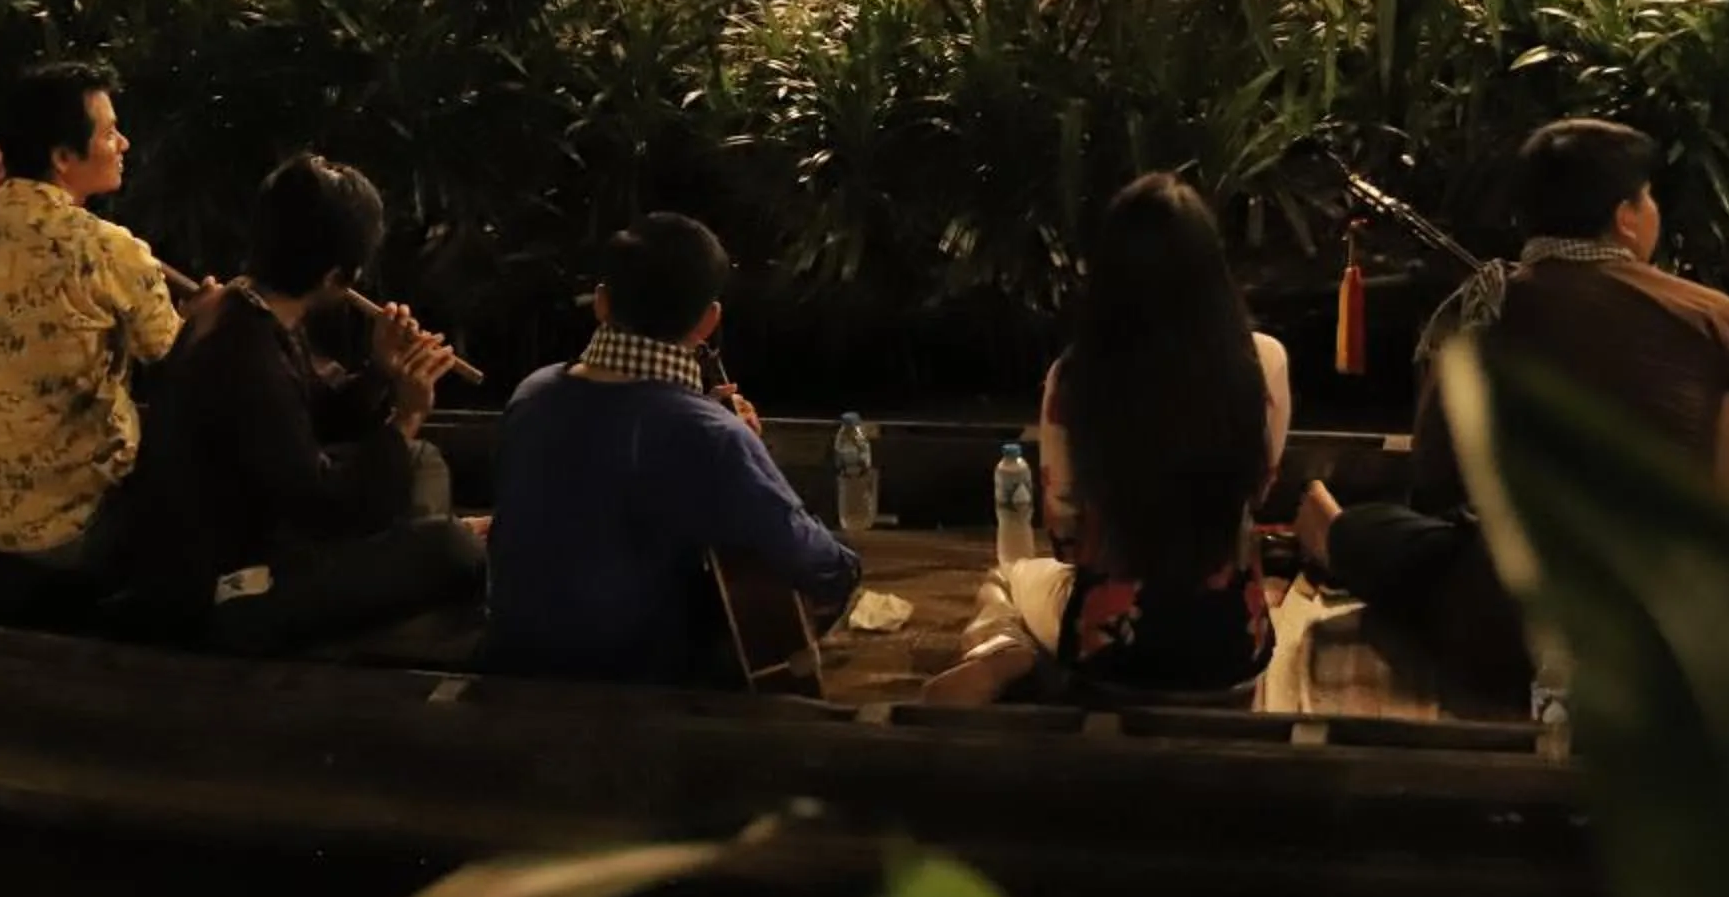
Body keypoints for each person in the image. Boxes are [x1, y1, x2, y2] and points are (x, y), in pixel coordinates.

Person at [1296, 119, 1729, 709]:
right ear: (1626, 216)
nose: (1653, 212)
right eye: (1648, 197)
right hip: (1672, 635)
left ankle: (1331, 529)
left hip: (1506, 631)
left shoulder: (1483, 312)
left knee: (1388, 536)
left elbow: (1436, 478)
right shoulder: (1700, 311)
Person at [927, 175, 1288, 704]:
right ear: (1213, 271)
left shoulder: (1073, 379)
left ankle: (1002, 648)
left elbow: (1064, 522)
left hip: (1110, 651)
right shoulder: (1266, 363)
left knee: (1006, 579)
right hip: (1233, 644)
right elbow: (1257, 489)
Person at [117, 155, 485, 654]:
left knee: (421, 463)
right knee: (453, 548)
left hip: (268, 530)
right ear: (337, 278)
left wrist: (380, 369)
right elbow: (325, 506)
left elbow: (308, 416)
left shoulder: (242, 308)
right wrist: (408, 414)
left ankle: (399, 562)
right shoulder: (245, 352)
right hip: (227, 592)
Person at [484, 213, 861, 685]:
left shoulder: (531, 394)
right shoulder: (708, 434)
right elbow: (817, 565)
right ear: (709, 320)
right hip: (639, 684)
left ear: (601, 303)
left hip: (512, 661)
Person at [0, 61, 187, 571]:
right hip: (77, 527)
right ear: (63, 157)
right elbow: (178, 358)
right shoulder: (110, 252)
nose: (123, 144)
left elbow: (7, 264)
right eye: (110, 133)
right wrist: (210, 316)